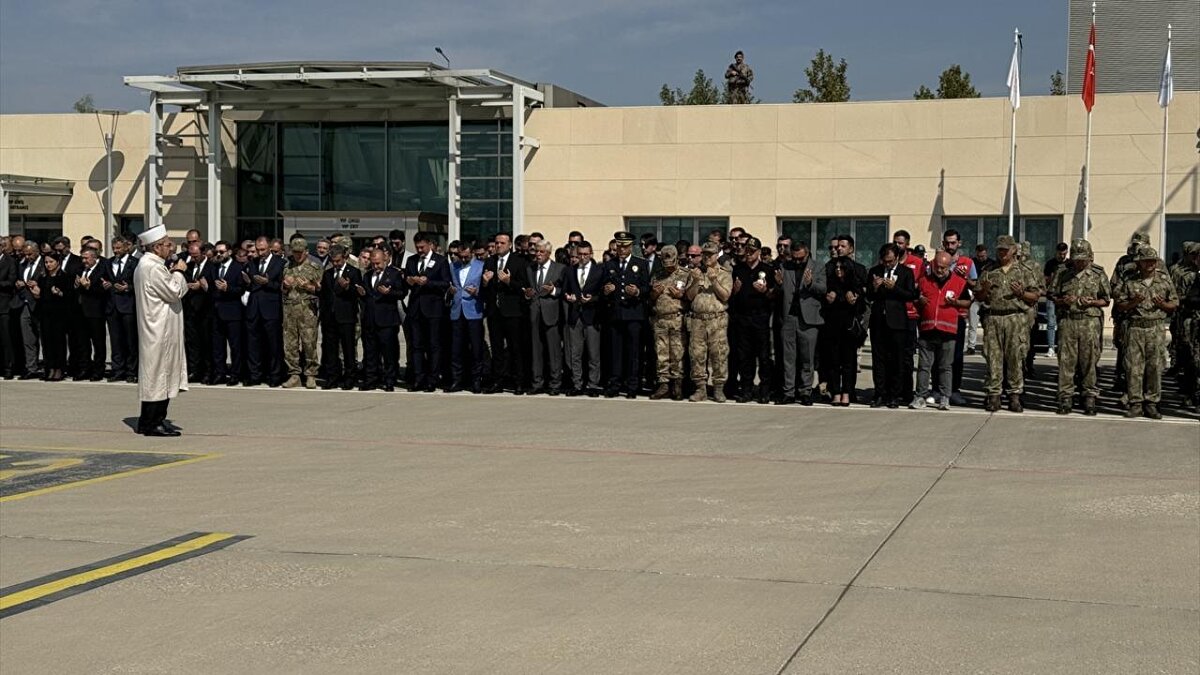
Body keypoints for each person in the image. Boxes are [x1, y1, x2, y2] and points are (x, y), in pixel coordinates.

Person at [132, 225, 189, 437]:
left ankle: (155, 419)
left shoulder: (151, 264)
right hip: (158, 329)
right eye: (167, 244)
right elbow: (174, 292)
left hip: (160, 327)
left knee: (159, 375)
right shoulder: (152, 267)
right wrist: (179, 272)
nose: (171, 248)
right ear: (156, 247)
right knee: (158, 375)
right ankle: (151, 422)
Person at [976, 235, 1042, 412]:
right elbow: (978, 296)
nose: (1002, 253)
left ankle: (1014, 396)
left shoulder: (1024, 271)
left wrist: (1021, 294)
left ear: (1014, 250)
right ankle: (993, 395)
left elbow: (1035, 296)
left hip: (1015, 318)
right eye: (999, 250)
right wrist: (984, 290)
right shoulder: (989, 270)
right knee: (993, 358)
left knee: (1015, 358)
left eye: (1005, 250)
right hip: (993, 318)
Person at [1113, 246, 1178, 419]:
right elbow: (1120, 304)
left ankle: (1152, 403)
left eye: (1152, 261)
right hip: (1135, 327)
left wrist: (1162, 305)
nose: (1150, 264)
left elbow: (1174, 304)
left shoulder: (1164, 280)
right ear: (1139, 263)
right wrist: (1133, 302)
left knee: (1155, 367)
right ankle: (1135, 403)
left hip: (1155, 327)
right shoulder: (1129, 280)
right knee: (1134, 367)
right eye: (1146, 261)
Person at [1050, 239, 1109, 416]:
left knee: (1089, 361)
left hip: (1089, 322)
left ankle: (1089, 396)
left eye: (1083, 259)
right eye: (1077, 259)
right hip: (1068, 321)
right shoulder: (1063, 273)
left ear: (1090, 257)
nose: (1080, 263)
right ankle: (1066, 397)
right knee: (1067, 361)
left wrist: (1092, 302)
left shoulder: (1098, 274)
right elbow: (1052, 295)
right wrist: (1062, 301)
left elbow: (1106, 300)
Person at [911, 251, 972, 410]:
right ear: (932, 264)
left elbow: (968, 302)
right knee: (924, 366)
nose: (940, 270)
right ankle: (920, 396)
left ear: (949, 266)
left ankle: (945, 397)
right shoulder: (924, 280)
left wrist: (956, 302)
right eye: (937, 267)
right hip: (927, 329)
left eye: (943, 268)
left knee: (946, 366)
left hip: (948, 330)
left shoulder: (959, 282)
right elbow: (914, 299)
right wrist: (919, 301)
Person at [868, 243, 918, 408]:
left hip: (897, 322)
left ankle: (895, 395)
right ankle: (879, 393)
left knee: (897, 359)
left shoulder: (906, 272)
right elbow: (868, 295)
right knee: (879, 359)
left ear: (896, 258)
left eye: (890, 261)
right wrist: (874, 287)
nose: (887, 264)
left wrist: (894, 288)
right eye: (884, 261)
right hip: (879, 321)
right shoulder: (875, 271)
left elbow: (911, 295)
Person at [602, 231, 651, 398]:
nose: (622, 249)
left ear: (631, 247)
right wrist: (606, 290)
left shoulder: (640, 264)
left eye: (625, 246)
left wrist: (637, 291)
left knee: (633, 352)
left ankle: (632, 385)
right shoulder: (610, 265)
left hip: (634, 314)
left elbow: (647, 288)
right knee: (615, 351)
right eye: (619, 246)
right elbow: (603, 286)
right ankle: (615, 384)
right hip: (616, 315)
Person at [776, 241, 825, 405]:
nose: (797, 261)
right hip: (789, 317)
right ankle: (788, 392)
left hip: (809, 319)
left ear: (807, 253)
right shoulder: (785, 266)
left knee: (807, 358)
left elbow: (823, 289)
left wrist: (811, 283)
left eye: (800, 258)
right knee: (788, 358)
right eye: (794, 258)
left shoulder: (818, 267)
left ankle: (805, 392)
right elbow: (781, 292)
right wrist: (778, 284)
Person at [483, 233, 530, 394]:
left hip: (512, 311)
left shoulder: (519, 262)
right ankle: (498, 381)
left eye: (502, 243)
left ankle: (518, 381)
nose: (498, 246)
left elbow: (524, 286)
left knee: (515, 347)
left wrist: (509, 282)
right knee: (496, 349)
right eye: (496, 243)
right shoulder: (490, 261)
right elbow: (484, 288)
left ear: (509, 245)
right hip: (494, 311)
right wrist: (485, 281)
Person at [684, 242, 732, 402]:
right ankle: (701, 388)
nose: (706, 257)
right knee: (697, 354)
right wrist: (696, 282)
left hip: (716, 320)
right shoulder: (695, 273)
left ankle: (718, 388)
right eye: (704, 254)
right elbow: (689, 297)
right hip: (698, 320)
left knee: (718, 354)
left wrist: (714, 281)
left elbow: (725, 296)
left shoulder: (724, 273)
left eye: (710, 254)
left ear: (717, 254)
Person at [404, 232, 450, 392]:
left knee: (433, 345)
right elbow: (407, 281)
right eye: (417, 247)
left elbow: (445, 283)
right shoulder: (411, 261)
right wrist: (410, 281)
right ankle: (418, 377)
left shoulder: (441, 261)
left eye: (422, 247)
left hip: (433, 309)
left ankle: (433, 378)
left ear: (430, 244)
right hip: (416, 309)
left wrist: (428, 282)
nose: (420, 250)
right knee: (416, 345)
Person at [823, 244, 868, 406]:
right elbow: (824, 301)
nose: (838, 270)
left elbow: (862, 305)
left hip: (849, 327)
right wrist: (829, 299)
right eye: (836, 267)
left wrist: (854, 299)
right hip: (833, 327)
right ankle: (835, 391)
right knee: (834, 361)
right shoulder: (830, 284)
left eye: (841, 267)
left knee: (849, 362)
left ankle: (847, 392)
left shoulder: (854, 285)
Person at [563, 241, 604, 397]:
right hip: (575, 316)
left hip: (592, 316)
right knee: (575, 353)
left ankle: (593, 384)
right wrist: (568, 297)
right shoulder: (570, 271)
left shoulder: (598, 270)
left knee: (593, 353)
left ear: (591, 254)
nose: (583, 257)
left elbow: (602, 294)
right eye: (580, 254)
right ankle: (577, 384)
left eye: (586, 254)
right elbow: (565, 291)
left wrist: (592, 299)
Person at [281, 238, 323, 389]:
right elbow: (284, 291)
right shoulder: (287, 265)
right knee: (290, 344)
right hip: (290, 309)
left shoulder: (315, 266)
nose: (297, 255)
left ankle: (311, 374)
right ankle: (294, 374)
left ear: (306, 251)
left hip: (307, 310)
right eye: (295, 252)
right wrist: (285, 286)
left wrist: (309, 286)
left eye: (300, 252)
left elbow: (321, 290)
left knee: (309, 343)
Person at [649, 245, 689, 400]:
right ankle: (663, 383)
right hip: (660, 319)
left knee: (678, 353)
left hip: (677, 318)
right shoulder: (657, 274)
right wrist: (655, 293)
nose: (668, 267)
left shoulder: (685, 274)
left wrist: (681, 295)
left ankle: (677, 384)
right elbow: (651, 298)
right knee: (661, 354)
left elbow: (691, 297)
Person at [525, 240, 566, 395]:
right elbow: (529, 289)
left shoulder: (560, 269)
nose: (538, 255)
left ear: (549, 253)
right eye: (536, 251)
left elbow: (565, 290)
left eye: (541, 252)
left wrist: (554, 291)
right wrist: (527, 294)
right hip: (535, 313)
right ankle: (537, 382)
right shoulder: (530, 269)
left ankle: (555, 384)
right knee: (536, 350)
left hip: (552, 313)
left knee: (554, 351)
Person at [359, 248, 403, 391]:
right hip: (370, 319)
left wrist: (389, 293)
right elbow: (366, 295)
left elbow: (402, 292)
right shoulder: (367, 275)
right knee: (370, 352)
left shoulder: (394, 274)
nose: (376, 267)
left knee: (389, 352)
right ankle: (371, 379)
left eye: (378, 263)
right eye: (373, 264)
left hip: (387, 320)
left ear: (385, 260)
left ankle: (389, 380)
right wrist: (362, 293)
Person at [243, 238, 284, 386]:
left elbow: (281, 286)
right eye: (258, 250)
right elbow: (250, 284)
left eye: (263, 250)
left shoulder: (280, 263)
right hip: (254, 308)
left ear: (270, 248)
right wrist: (248, 282)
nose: (260, 253)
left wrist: (268, 283)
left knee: (273, 344)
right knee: (253, 344)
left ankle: (274, 375)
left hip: (271, 308)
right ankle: (255, 375)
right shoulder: (252, 263)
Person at [319, 244, 361, 390]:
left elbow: (357, 295)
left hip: (346, 317)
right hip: (330, 318)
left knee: (348, 349)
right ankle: (332, 377)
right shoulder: (328, 274)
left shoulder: (354, 272)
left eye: (338, 261)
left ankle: (350, 378)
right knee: (331, 349)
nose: (336, 264)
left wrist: (348, 288)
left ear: (344, 258)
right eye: (333, 261)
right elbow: (324, 295)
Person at [448, 241, 486, 393]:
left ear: (472, 253)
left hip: (474, 310)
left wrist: (477, 292)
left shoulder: (481, 266)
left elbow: (485, 289)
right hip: (457, 309)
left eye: (466, 257)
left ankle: (476, 380)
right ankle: (457, 380)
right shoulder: (453, 266)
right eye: (460, 256)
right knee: (456, 348)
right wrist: (449, 291)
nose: (463, 259)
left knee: (476, 347)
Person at [205, 241, 246, 386]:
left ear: (229, 252)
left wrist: (227, 288)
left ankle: (235, 374)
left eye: (221, 252)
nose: (218, 254)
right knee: (218, 346)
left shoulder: (238, 268)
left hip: (233, 312)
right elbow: (209, 284)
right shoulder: (214, 267)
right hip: (216, 312)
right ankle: (219, 373)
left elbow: (241, 289)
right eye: (217, 252)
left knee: (235, 346)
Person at [30, 254, 73, 381]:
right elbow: (41, 296)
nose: (48, 264)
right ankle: (50, 368)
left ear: (58, 262)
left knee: (58, 342)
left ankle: (59, 369)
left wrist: (60, 293)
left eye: (51, 262)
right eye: (46, 262)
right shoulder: (43, 278)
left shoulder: (65, 277)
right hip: (45, 314)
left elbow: (70, 296)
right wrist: (37, 294)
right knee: (47, 342)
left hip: (59, 315)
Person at [74, 249, 109, 380]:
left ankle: (98, 370)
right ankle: (84, 368)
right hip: (81, 311)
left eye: (87, 258)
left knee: (98, 343)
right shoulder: (80, 270)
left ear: (94, 258)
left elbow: (103, 291)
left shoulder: (102, 270)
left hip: (95, 312)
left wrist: (89, 287)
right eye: (82, 258)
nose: (84, 261)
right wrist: (77, 284)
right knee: (83, 343)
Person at [183, 242, 214, 383]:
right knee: (192, 343)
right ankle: (194, 371)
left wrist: (202, 287)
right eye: (191, 256)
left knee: (207, 343)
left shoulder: (212, 267)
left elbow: (214, 288)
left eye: (196, 256)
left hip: (206, 311)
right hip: (191, 310)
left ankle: (208, 372)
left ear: (203, 253)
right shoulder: (189, 267)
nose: (193, 258)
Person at [14, 242, 46, 379]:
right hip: (25, 304)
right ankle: (31, 367)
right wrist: (20, 284)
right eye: (26, 254)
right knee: (28, 339)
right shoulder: (22, 264)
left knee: (44, 338)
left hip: (40, 305)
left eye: (30, 254)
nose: (28, 257)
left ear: (37, 251)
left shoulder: (45, 264)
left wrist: (38, 285)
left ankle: (47, 366)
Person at [1043, 242, 1070, 359]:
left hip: (1063, 297)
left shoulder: (1070, 264)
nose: (1062, 256)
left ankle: (1062, 346)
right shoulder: (1050, 264)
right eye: (1060, 254)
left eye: (1064, 254)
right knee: (1051, 322)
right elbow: (1045, 280)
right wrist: (1052, 278)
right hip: (1052, 296)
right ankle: (1051, 347)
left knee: (1063, 323)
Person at [0, 238, 17, 379]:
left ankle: (8, 367)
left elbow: (11, 281)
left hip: (4, 305)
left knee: (6, 339)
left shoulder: (9, 261)